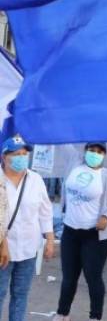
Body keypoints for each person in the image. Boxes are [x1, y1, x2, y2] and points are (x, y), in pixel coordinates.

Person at [54, 142, 107, 321]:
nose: (95, 154)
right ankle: (62, 313)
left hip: (95, 235)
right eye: (92, 151)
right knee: (69, 277)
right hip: (70, 231)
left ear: (104, 155)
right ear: (85, 152)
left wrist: (106, 216)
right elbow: (64, 140)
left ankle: (95, 317)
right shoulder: (74, 165)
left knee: (93, 277)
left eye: (99, 152)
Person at [0, 135, 54, 321]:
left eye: (24, 154)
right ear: (4, 157)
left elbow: (45, 211)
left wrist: (49, 239)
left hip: (28, 249)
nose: (22, 157)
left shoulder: (35, 179)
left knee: (21, 295)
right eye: (16, 154)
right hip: (2, 250)